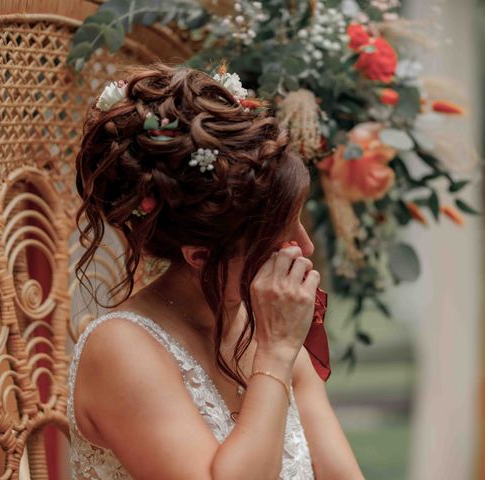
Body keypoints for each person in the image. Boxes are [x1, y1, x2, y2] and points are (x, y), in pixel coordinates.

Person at [70, 63, 365, 479]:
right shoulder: (122, 350)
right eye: (282, 238)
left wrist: (279, 350)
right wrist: (275, 356)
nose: (308, 247)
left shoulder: (263, 326)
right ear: (200, 256)